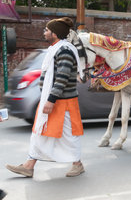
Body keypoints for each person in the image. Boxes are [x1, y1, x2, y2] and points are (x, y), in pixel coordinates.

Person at [6, 17, 86, 178]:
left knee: (68, 136)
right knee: (40, 133)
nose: (44, 33)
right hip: (54, 101)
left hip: (64, 104)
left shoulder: (65, 51)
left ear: (55, 34)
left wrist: (50, 100)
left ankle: (77, 164)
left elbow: (62, 78)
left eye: (47, 30)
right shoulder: (55, 49)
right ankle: (29, 165)